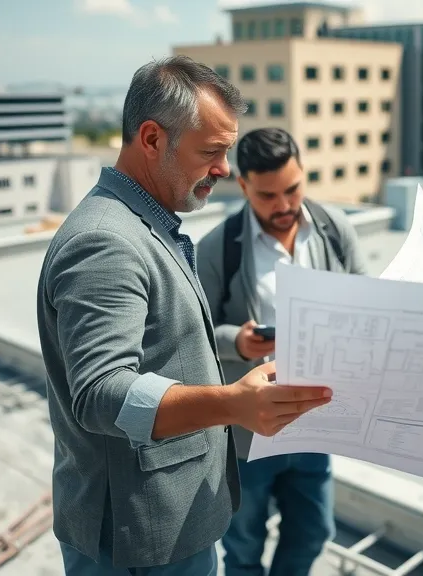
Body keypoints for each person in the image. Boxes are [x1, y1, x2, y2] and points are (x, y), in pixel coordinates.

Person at [36, 56, 332, 576]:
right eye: (212, 152)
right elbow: (101, 393)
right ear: (151, 139)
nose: (223, 169)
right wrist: (233, 405)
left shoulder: (140, 225)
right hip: (139, 537)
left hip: (164, 525)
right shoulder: (107, 241)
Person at [195, 127, 368, 576]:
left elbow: (369, 307)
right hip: (248, 438)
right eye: (268, 196)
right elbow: (191, 333)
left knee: (313, 533)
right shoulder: (217, 248)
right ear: (244, 185)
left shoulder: (335, 230)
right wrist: (238, 340)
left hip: (316, 425)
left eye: (292, 189)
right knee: (244, 549)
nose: (285, 205)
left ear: (304, 174)